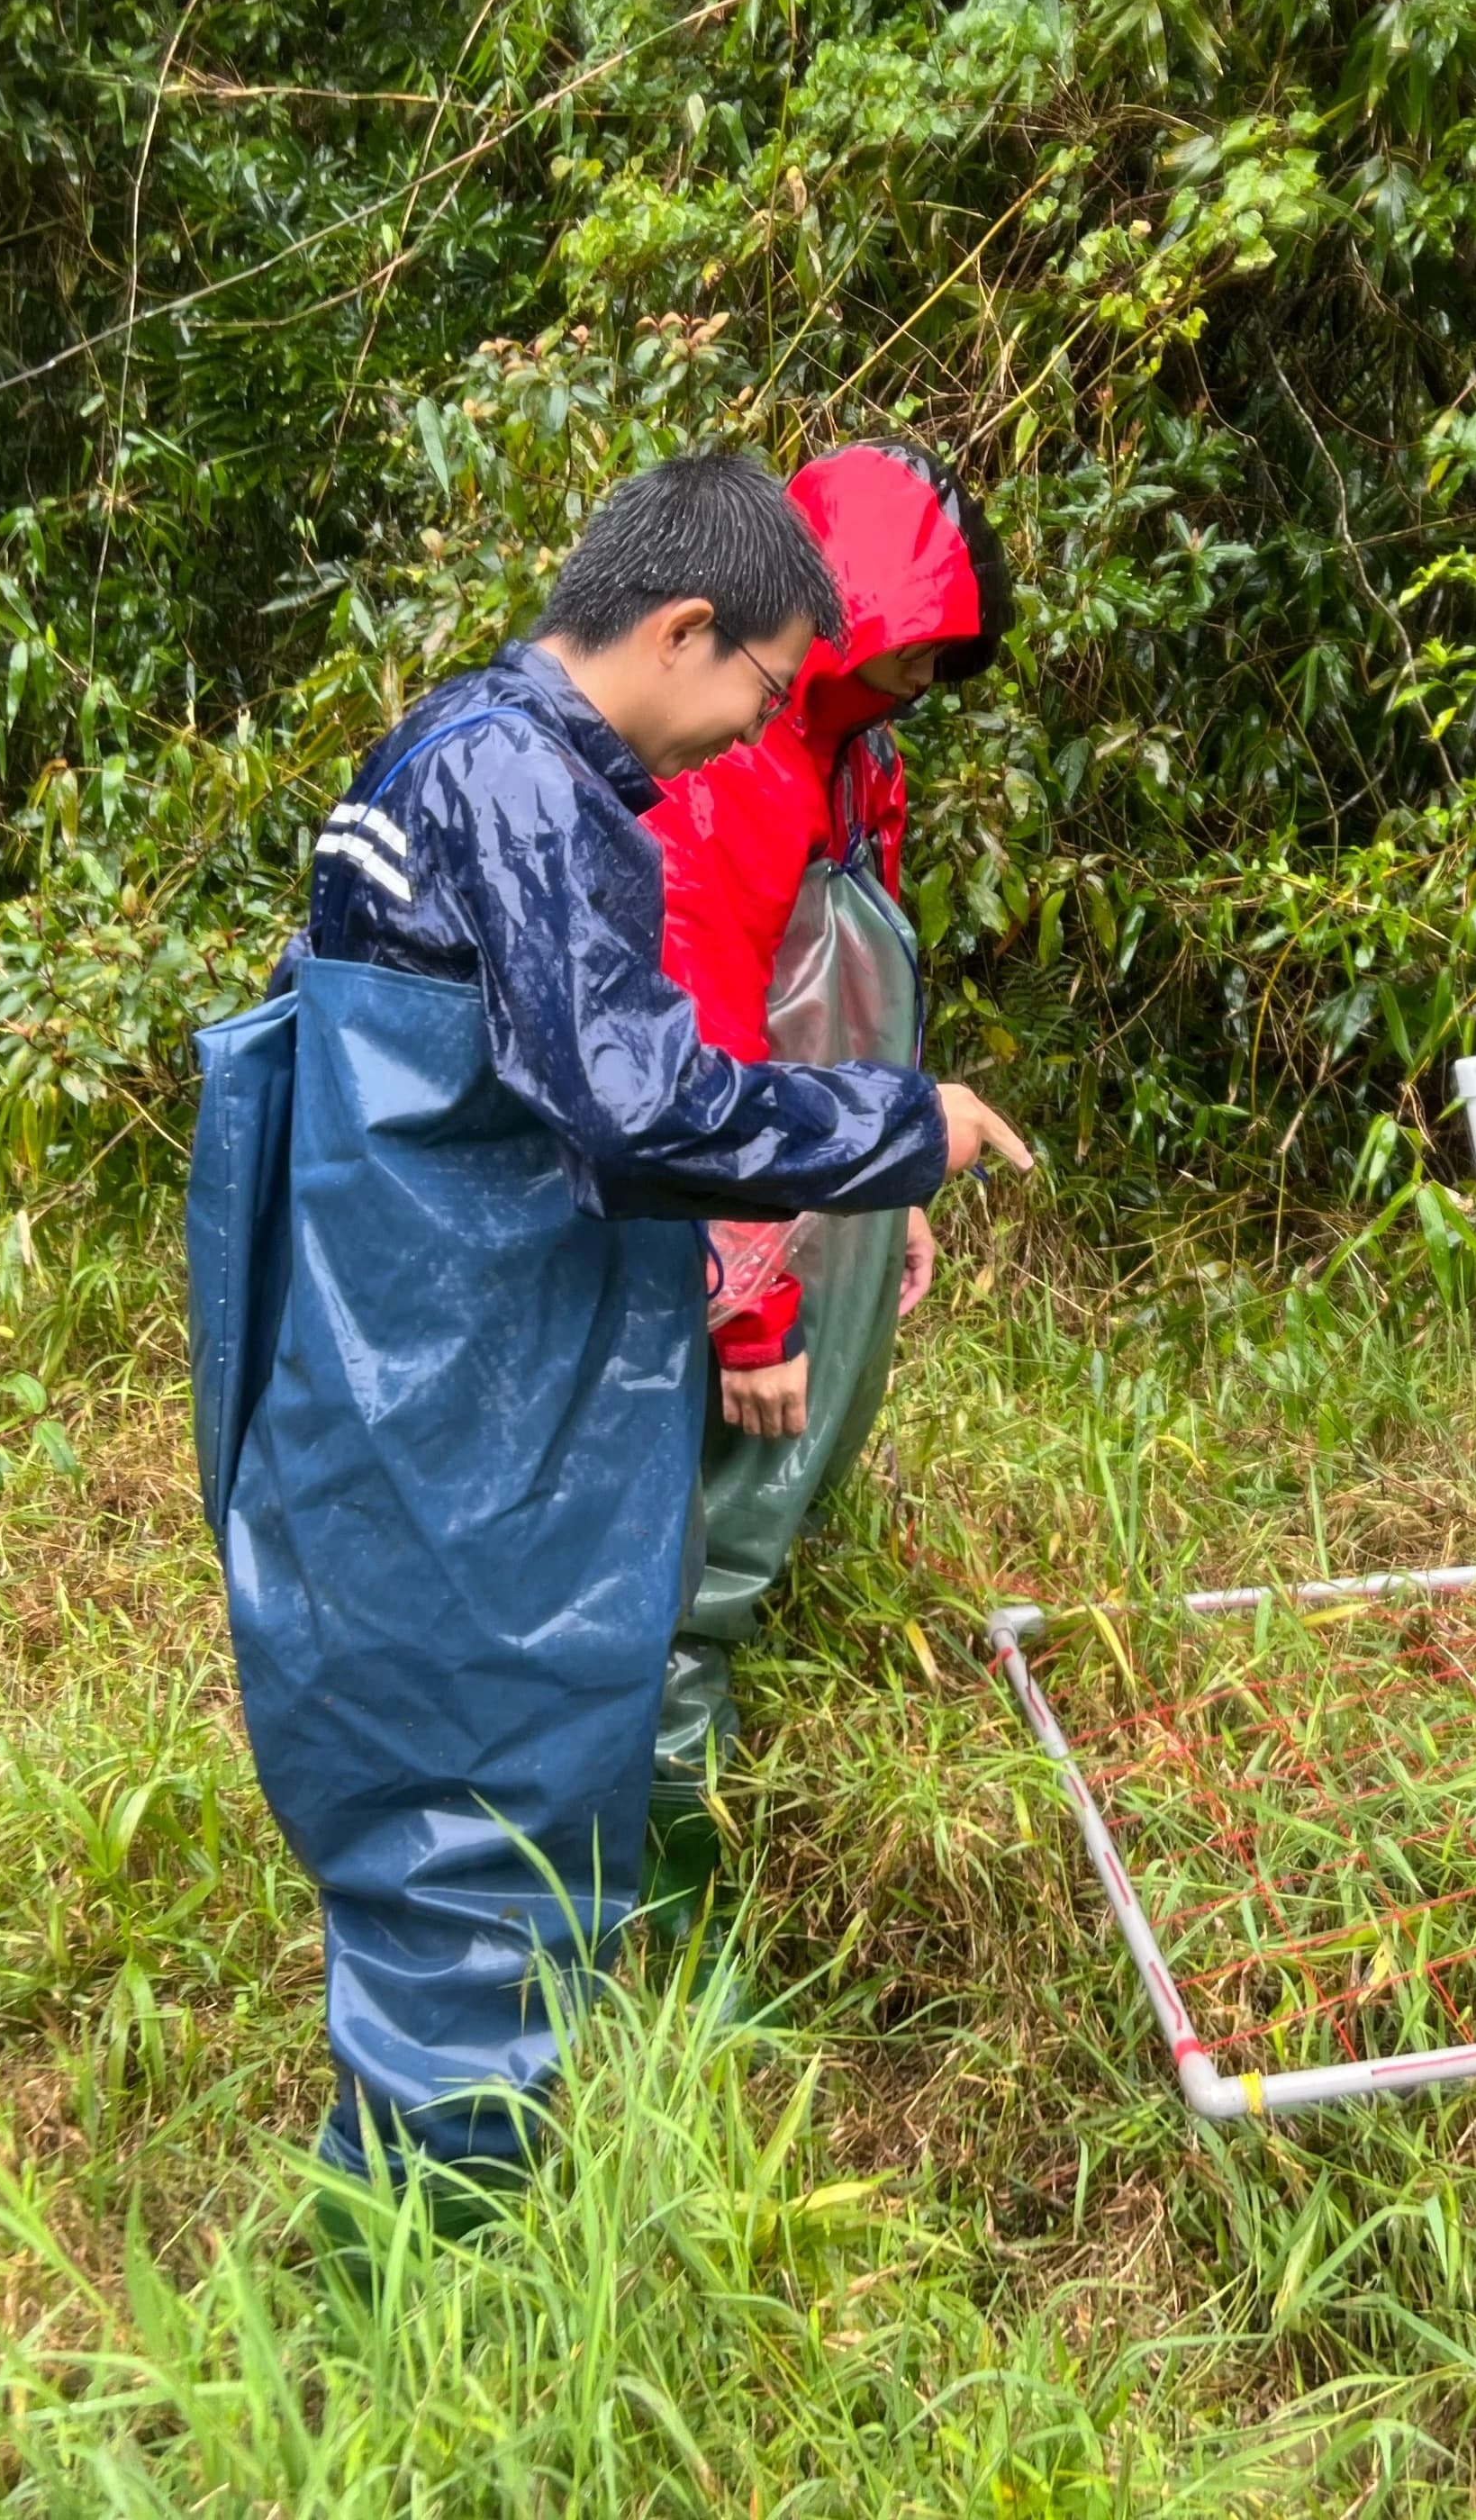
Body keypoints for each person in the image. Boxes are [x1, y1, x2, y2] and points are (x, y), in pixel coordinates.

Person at [183, 455, 1031, 2194]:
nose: (753, 736)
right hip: (449, 1378)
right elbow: (635, 1106)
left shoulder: (460, 741)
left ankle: (440, 2191)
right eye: (764, 691)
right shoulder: (528, 791)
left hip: (412, 1347)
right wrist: (897, 1130)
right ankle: (426, 2268)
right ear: (684, 629)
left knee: (462, 1792)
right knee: (470, 1783)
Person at [635, 441, 1013, 1915]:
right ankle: (666, 1902)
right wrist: (747, 1296)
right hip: (724, 1212)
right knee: (690, 1543)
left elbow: (875, 997)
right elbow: (690, 1041)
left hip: (821, 1187)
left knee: (768, 1500)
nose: (923, 681)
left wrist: (896, 1179)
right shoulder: (729, 763)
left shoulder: (864, 762)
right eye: (913, 651)